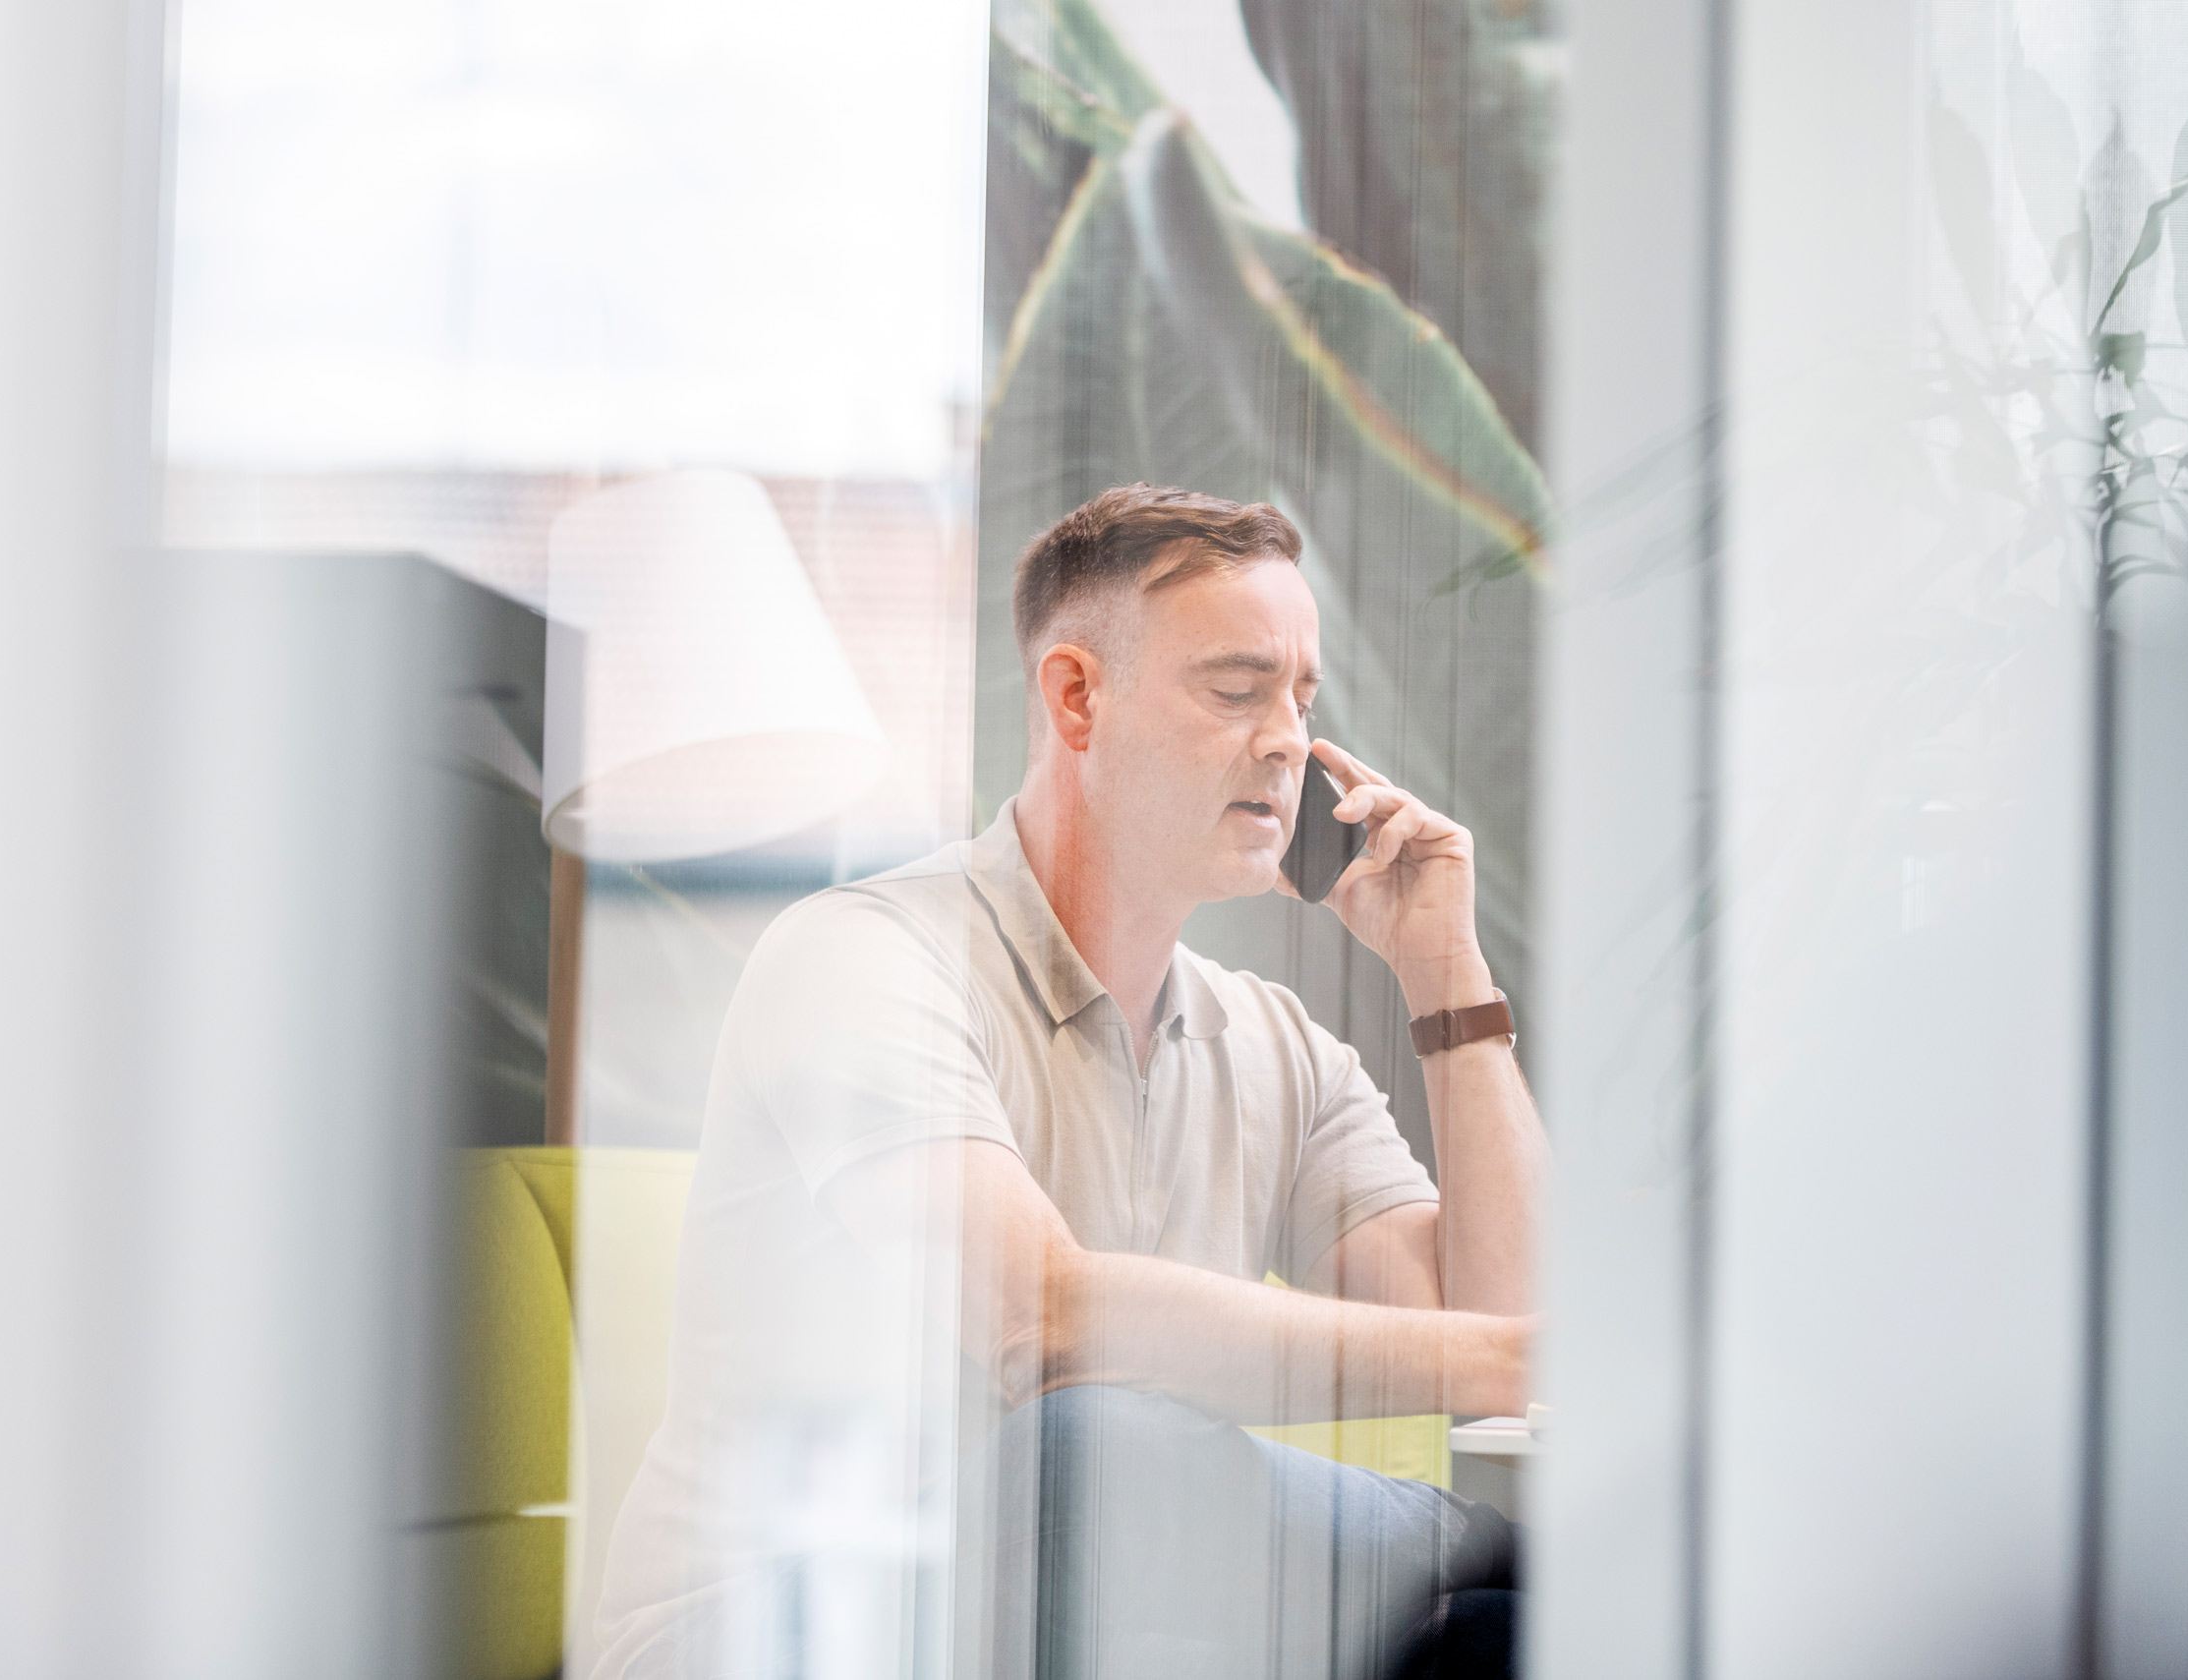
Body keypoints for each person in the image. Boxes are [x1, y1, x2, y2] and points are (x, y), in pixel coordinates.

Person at [593, 485, 1543, 1680]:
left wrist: (1448, 977)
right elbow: (1040, 1322)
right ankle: (1485, 1555)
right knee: (1085, 1446)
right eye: (1236, 690)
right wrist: (1509, 1372)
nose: (1287, 742)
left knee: (1513, 1621)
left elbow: (1490, 1342)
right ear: (1076, 697)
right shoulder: (861, 956)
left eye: (1302, 700)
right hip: (785, 1631)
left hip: (1092, 1619)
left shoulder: (1274, 1044)